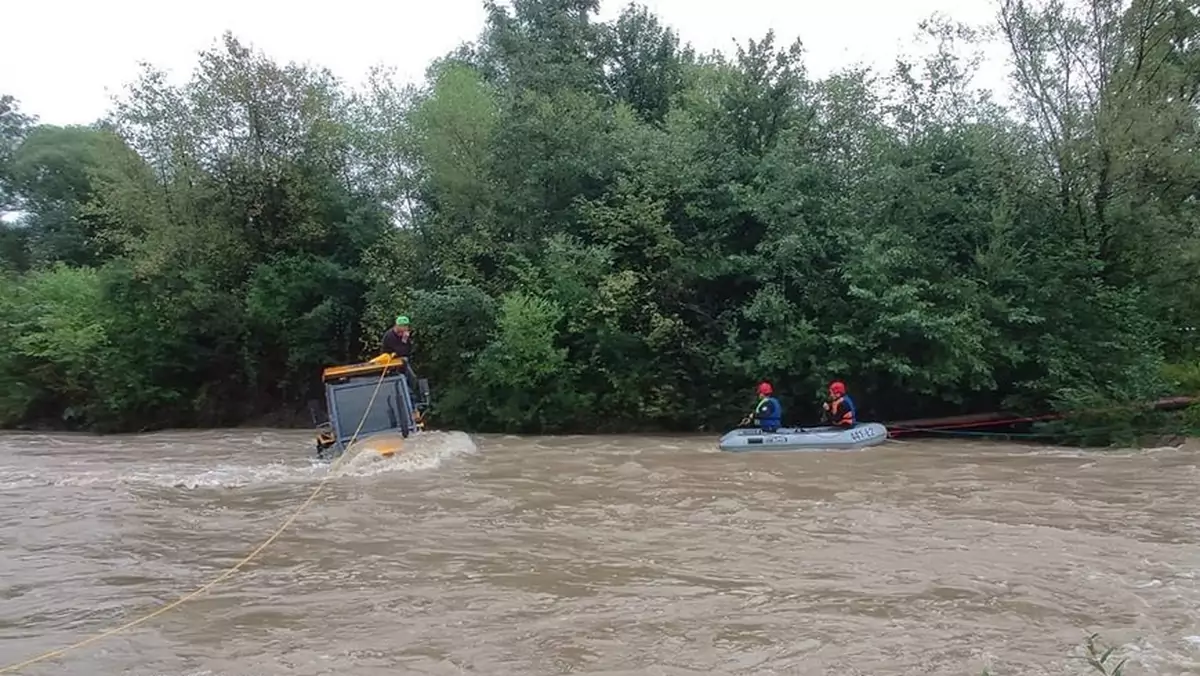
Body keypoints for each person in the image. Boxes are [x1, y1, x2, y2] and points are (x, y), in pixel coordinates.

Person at [380, 314, 421, 403]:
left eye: (407, 326)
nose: (406, 328)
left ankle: (414, 398)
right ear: (397, 326)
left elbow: (408, 350)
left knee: (413, 379)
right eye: (404, 326)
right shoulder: (390, 336)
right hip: (390, 361)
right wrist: (404, 340)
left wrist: (406, 341)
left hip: (402, 360)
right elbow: (400, 352)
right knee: (404, 375)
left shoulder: (405, 335)